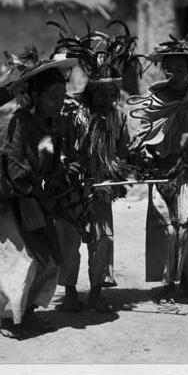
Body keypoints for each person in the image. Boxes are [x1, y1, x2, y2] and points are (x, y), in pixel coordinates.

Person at [0, 53, 77, 338]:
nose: (59, 101)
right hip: (8, 203)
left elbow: (47, 157)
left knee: (49, 258)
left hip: (34, 202)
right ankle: (10, 320)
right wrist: (32, 189)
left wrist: (62, 171)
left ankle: (29, 313)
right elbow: (9, 170)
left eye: (62, 94)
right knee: (20, 261)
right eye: (52, 96)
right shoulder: (16, 126)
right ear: (34, 96)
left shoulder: (50, 126)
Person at [129, 35, 188, 303]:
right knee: (167, 229)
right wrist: (145, 157)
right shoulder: (152, 101)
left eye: (182, 69)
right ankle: (169, 284)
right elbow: (141, 137)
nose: (175, 74)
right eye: (170, 69)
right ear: (164, 70)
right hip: (161, 172)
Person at [56, 78, 131, 313]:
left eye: (111, 96)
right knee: (69, 241)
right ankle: (69, 293)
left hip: (101, 188)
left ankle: (97, 292)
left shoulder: (118, 117)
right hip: (71, 188)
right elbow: (58, 145)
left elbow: (123, 150)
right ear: (90, 94)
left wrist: (117, 170)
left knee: (103, 239)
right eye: (102, 95)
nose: (107, 101)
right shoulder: (72, 116)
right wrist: (66, 164)